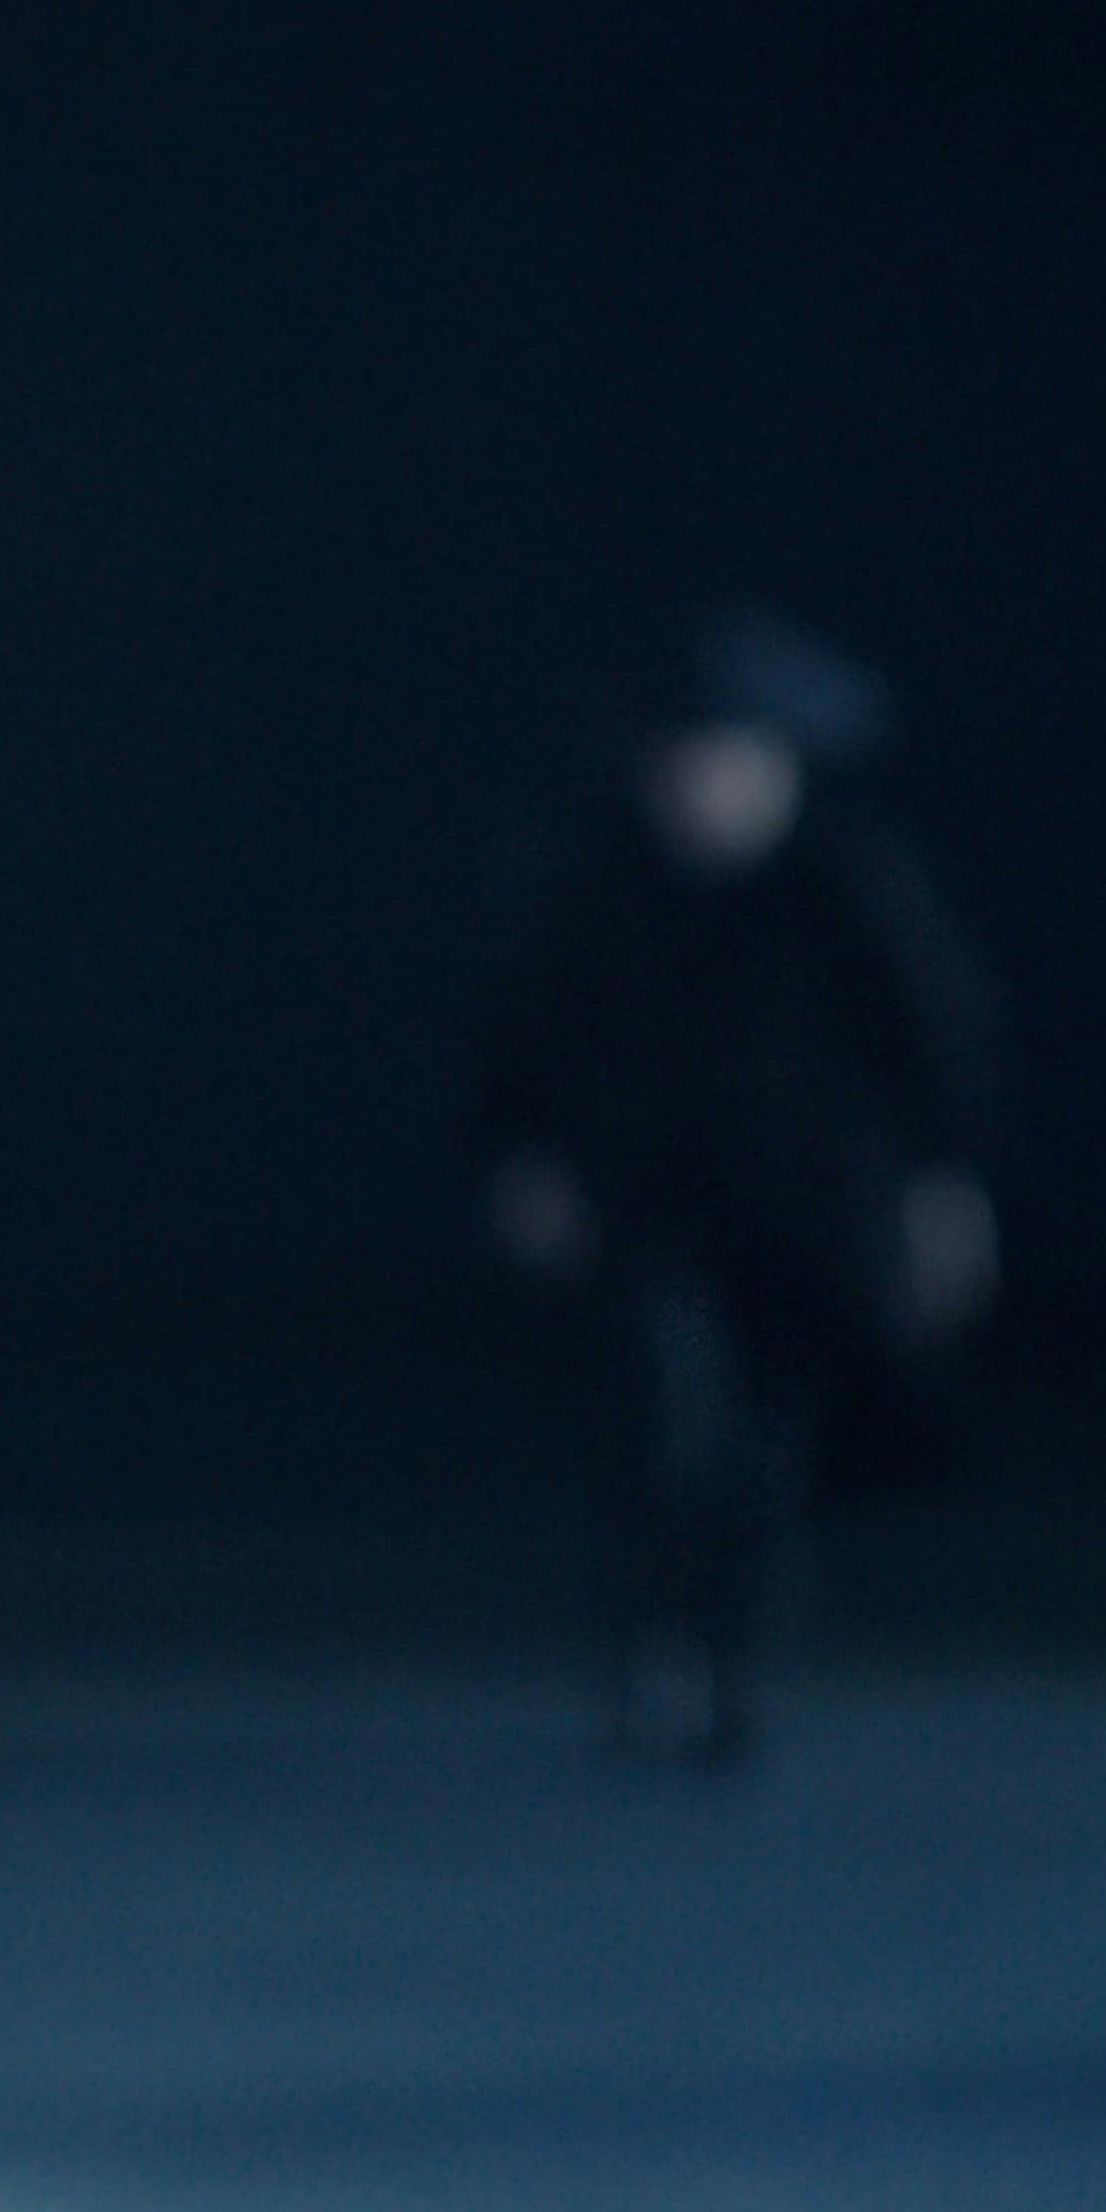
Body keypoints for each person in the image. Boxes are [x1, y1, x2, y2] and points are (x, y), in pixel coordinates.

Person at [469, 614, 1006, 1766]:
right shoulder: (603, 890)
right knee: (661, 1430)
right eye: (684, 767)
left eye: (728, 767)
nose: (704, 792)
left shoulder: (845, 889)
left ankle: (733, 1670)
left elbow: (931, 1042)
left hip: (800, 1218)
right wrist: (526, 1159)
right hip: (648, 1210)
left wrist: (943, 1191)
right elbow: (524, 1038)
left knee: (763, 1459)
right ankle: (654, 1654)